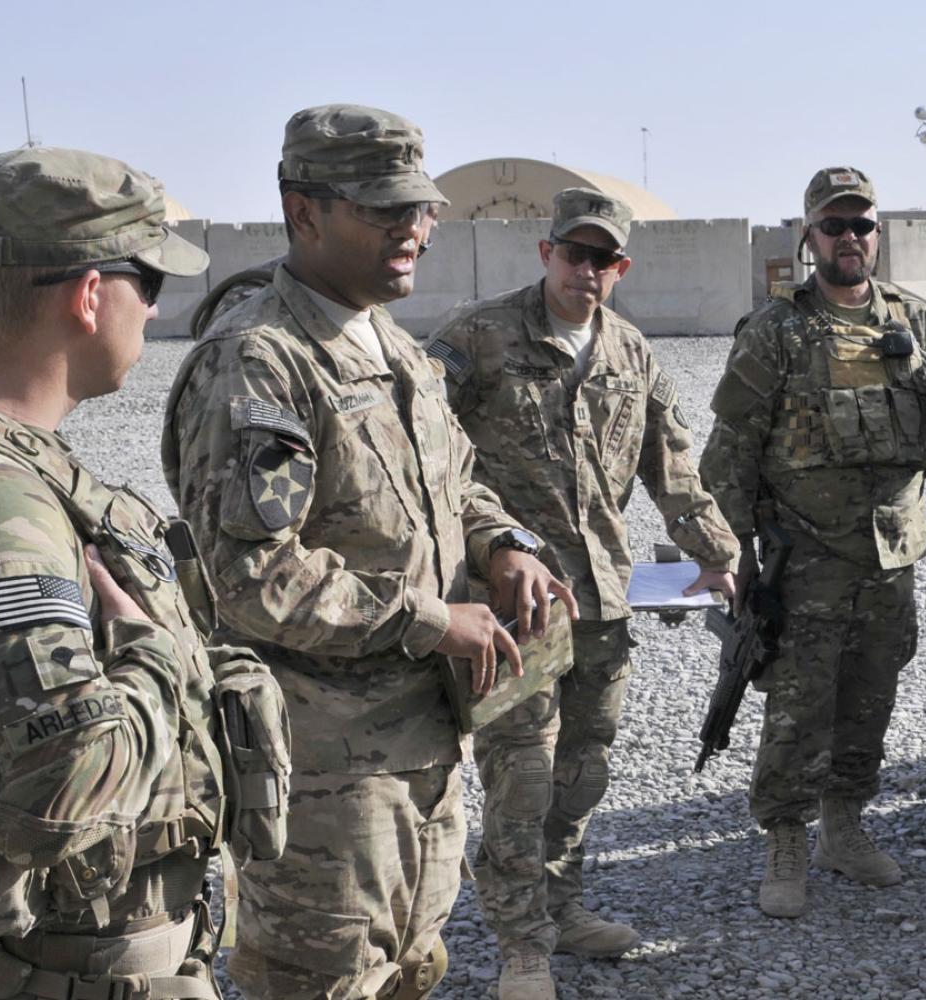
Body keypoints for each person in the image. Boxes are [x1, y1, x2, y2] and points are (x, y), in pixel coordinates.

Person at [0, 147, 282, 999]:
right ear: (89, 295)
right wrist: (159, 659)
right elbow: (50, 788)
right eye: (149, 284)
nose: (155, 314)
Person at [162, 104, 575, 1000]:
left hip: (423, 744)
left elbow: (455, 480)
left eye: (421, 209)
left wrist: (502, 542)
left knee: (410, 967)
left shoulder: (392, 344)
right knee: (323, 980)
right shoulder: (259, 359)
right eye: (385, 210)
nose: (415, 231)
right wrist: (431, 619)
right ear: (303, 211)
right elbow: (250, 575)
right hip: (324, 772)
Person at [426, 187, 739, 999]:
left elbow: (671, 464)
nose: (587, 271)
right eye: (576, 253)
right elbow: (425, 457)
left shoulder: (632, 354)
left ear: (621, 267)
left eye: (604, 259)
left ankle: (562, 905)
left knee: (583, 771)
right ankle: (520, 943)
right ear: (547, 253)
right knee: (521, 777)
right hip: (516, 606)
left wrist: (715, 552)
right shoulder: (479, 338)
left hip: (603, 601)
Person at [699, 167, 926, 918]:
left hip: (891, 556)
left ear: (878, 234)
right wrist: (729, 553)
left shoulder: (916, 320)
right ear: (809, 235)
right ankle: (785, 837)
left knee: (871, 693)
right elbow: (729, 451)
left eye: (861, 225)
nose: (849, 238)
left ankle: (844, 824)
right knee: (799, 704)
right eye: (834, 226)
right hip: (805, 556)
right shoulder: (776, 330)